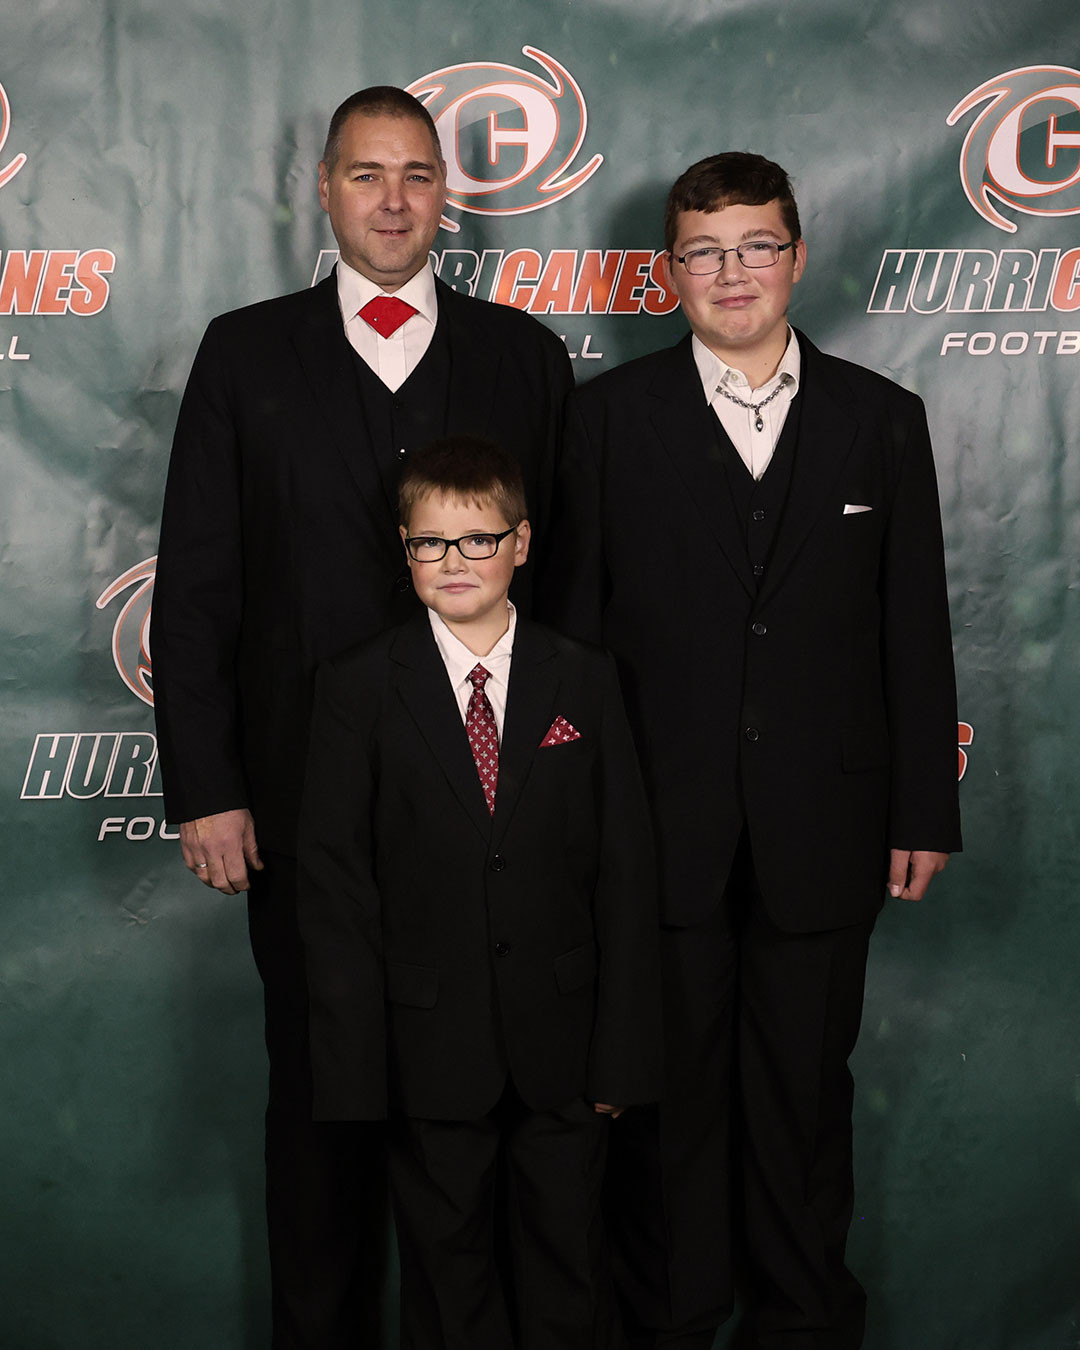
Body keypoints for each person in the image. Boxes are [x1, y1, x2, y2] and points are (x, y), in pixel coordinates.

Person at [151, 87, 573, 1347]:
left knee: (472, 1128)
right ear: (324, 190)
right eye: (366, 174)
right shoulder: (243, 353)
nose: (394, 201)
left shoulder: (522, 357)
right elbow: (197, 586)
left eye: (417, 176)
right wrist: (209, 787)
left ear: (447, 197)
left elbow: (571, 590)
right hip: (300, 812)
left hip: (491, 810)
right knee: (322, 1111)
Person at [539, 152, 962, 1349]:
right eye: (705, 253)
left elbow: (913, 629)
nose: (733, 273)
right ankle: (670, 1324)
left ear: (798, 257)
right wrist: (575, 825)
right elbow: (570, 645)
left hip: (825, 832)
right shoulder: (605, 421)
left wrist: (922, 808)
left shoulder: (883, 420)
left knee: (802, 1106)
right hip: (656, 837)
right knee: (663, 1112)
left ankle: (802, 1324)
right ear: (669, 272)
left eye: (757, 246)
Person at [296, 435, 662, 1350]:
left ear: (521, 543)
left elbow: (625, 872)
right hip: (425, 1051)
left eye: (478, 539)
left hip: (565, 1053)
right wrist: (357, 1072)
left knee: (568, 1273)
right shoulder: (356, 686)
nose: (454, 561)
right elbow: (336, 890)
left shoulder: (585, 675)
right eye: (431, 542)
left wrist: (621, 1053)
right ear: (405, 548)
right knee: (446, 1281)